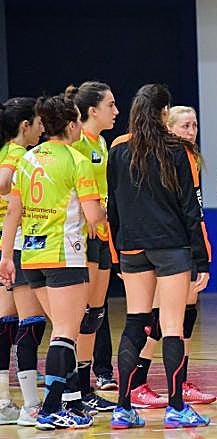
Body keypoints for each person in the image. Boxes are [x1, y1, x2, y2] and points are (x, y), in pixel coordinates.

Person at [0, 94, 106, 430]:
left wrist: (6, 256)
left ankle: (70, 403)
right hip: (64, 255)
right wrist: (107, 210)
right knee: (65, 331)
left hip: (30, 256)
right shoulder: (77, 160)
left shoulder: (28, 159)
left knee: (63, 329)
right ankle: (49, 409)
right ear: (72, 125)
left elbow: (13, 213)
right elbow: (93, 217)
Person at [107, 84, 210, 429]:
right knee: (172, 326)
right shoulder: (178, 150)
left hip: (131, 247)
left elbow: (112, 206)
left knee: (135, 323)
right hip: (171, 248)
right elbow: (191, 210)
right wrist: (202, 260)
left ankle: (123, 408)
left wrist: (117, 254)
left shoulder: (118, 149)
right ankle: (176, 407)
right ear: (165, 112)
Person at [128, 105, 216, 408]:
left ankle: (181, 381)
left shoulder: (191, 157)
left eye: (194, 125)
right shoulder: (164, 157)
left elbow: (196, 209)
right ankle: (137, 382)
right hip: (164, 247)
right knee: (158, 318)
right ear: (169, 128)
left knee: (186, 313)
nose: (191, 132)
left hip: (185, 245)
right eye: (184, 126)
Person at [65, 81, 119, 413]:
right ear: (91, 110)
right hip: (81, 238)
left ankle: (85, 388)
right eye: (110, 105)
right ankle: (70, 388)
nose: (116, 111)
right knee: (79, 314)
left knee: (95, 315)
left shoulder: (101, 142)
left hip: (102, 234)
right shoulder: (78, 144)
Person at [0, 97, 45, 426]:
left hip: (6, 242)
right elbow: (4, 182)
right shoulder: (18, 154)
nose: (42, 129)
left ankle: (4, 401)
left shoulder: (6, 150)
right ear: (25, 125)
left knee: (6, 321)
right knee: (30, 321)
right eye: (38, 123)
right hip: (17, 242)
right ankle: (31, 405)